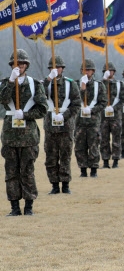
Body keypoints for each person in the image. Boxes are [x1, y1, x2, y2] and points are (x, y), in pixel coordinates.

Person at [0, 49, 48, 216]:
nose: (19, 66)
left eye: (22, 63)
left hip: (28, 136)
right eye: (16, 63)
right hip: (10, 135)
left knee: (27, 171)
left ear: (26, 65)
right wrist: (11, 82)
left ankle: (29, 207)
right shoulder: (5, 83)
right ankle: (14, 207)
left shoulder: (35, 84)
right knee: (11, 172)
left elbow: (43, 109)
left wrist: (26, 115)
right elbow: (3, 100)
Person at [43, 55, 81, 194]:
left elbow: (76, 104)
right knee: (51, 156)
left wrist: (64, 116)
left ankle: (65, 185)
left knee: (65, 155)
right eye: (53, 67)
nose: (56, 69)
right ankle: (54, 185)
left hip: (66, 125)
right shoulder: (45, 83)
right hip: (50, 126)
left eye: (58, 67)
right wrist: (48, 79)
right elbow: (38, 95)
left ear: (62, 69)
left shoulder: (71, 84)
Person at [75, 59, 107, 178]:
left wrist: (92, 110)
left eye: (89, 70)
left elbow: (103, 102)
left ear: (93, 71)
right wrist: (82, 89)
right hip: (80, 122)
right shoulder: (76, 84)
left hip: (93, 121)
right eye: (84, 69)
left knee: (93, 145)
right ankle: (83, 169)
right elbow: (73, 100)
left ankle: (94, 169)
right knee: (80, 146)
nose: (86, 72)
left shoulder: (99, 85)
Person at [100, 62, 124, 169]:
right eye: (107, 71)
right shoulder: (101, 85)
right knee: (104, 139)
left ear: (114, 72)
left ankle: (115, 161)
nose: (109, 72)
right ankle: (105, 161)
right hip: (104, 117)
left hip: (115, 116)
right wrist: (104, 80)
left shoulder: (120, 84)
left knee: (116, 139)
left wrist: (114, 108)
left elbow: (123, 99)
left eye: (110, 71)